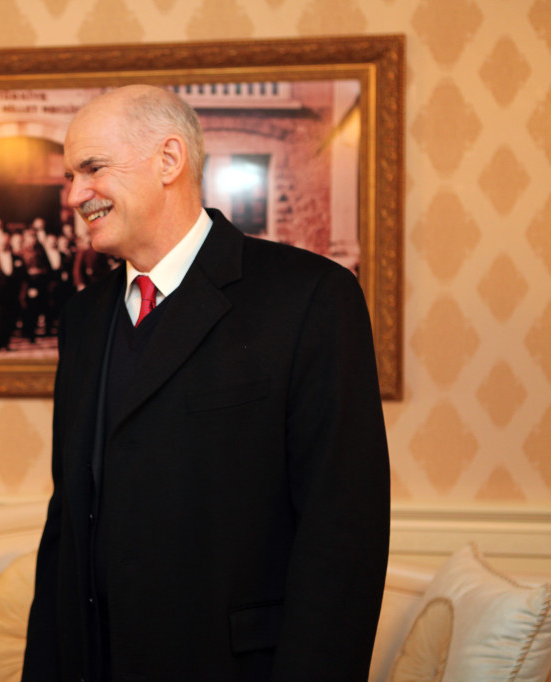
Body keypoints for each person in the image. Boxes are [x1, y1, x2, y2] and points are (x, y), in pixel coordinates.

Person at [23, 85, 389, 681]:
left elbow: (343, 535)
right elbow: (67, 524)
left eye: (91, 169)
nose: (74, 195)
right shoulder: (85, 318)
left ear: (169, 160)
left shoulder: (310, 299)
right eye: (70, 175)